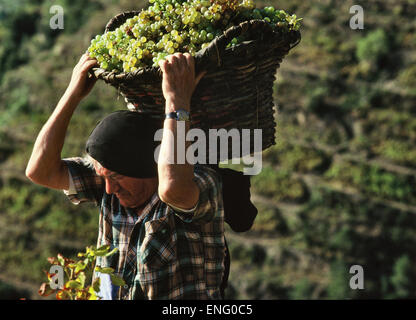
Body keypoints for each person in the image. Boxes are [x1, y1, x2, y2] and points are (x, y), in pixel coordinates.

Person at [26, 52, 228, 299]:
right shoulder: (106, 184)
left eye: (116, 177)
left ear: (147, 167)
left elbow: (172, 188)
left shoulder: (200, 183)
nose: (109, 189)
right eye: (104, 176)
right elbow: (39, 170)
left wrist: (176, 101)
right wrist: (73, 94)